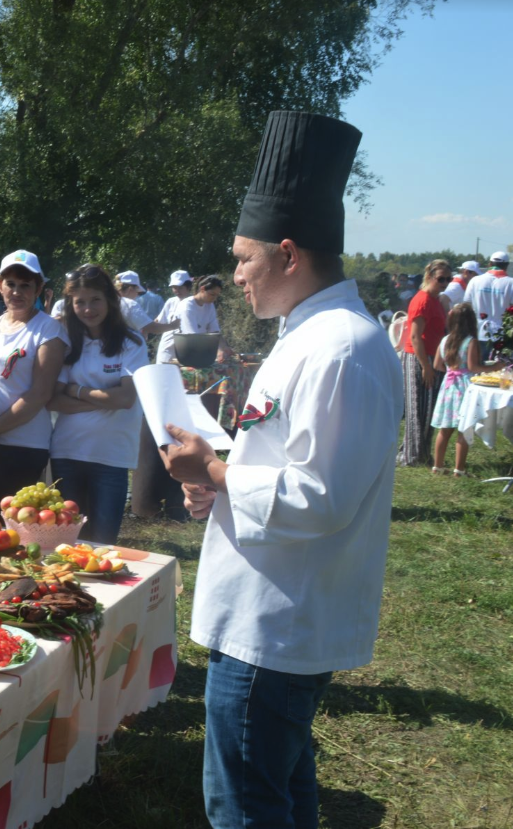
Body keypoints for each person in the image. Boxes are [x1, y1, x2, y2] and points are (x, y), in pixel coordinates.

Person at [161, 111, 402, 829]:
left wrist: (216, 466)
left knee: (245, 806)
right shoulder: (310, 333)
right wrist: (221, 481)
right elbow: (287, 461)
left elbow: (320, 496)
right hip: (269, 616)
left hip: (276, 627)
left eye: (243, 258)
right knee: (286, 790)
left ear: (289, 253)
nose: (233, 276)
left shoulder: (342, 348)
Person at [0, 250, 67, 517]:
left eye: (25, 285)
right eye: (10, 284)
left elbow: (40, 394)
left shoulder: (49, 329)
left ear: (39, 288)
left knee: (8, 521)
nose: (17, 292)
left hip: (24, 443)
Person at [47, 265, 148, 544]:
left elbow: (126, 399)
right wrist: (105, 399)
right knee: (66, 544)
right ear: (70, 304)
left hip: (111, 457)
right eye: (79, 302)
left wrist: (76, 390)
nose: (88, 308)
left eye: (95, 300)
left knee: (103, 544)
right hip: (67, 453)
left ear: (110, 300)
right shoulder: (67, 342)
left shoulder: (132, 343)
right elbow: (53, 400)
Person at [431, 303, 505, 476]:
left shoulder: (444, 340)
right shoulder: (470, 342)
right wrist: (495, 367)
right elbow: (473, 367)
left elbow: (437, 365)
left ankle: (438, 466)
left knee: (445, 428)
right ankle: (459, 469)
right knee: (464, 428)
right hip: (465, 386)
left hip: (448, 386)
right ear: (470, 321)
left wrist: (452, 371)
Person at [396, 259, 451, 467]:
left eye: (448, 279)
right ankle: (412, 456)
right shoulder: (423, 300)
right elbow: (416, 337)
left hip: (432, 357)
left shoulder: (436, 299)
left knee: (428, 409)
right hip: (419, 357)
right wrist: (426, 367)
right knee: (417, 410)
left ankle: (421, 453)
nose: (445, 283)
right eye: (441, 279)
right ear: (429, 277)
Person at [463, 251, 513, 359]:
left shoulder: (475, 281)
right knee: (500, 370)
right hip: (502, 334)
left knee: (479, 368)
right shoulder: (511, 283)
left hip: (478, 331)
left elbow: (466, 306)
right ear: (507, 266)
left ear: (489, 264)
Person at [176, 275, 236, 362]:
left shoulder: (209, 305)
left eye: (217, 295)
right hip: (178, 353)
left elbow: (214, 331)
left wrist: (224, 347)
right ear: (202, 289)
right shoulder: (187, 306)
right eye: (212, 294)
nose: (214, 298)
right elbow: (192, 336)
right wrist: (214, 352)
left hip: (195, 352)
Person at [115, 270, 179, 337]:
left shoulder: (111, 303)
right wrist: (172, 326)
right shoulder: (129, 304)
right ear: (130, 290)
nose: (137, 294)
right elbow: (153, 328)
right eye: (137, 291)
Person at [154, 270, 194, 363]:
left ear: (188, 287)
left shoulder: (195, 303)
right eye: (174, 287)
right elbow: (159, 321)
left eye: (180, 287)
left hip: (188, 349)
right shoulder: (171, 302)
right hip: (168, 348)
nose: (177, 290)